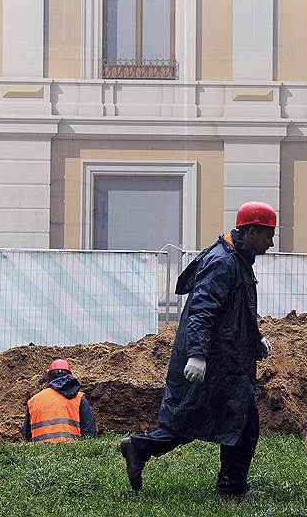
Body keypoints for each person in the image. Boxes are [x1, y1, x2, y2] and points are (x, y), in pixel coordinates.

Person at [119, 201, 276, 498]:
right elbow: (202, 312)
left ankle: (231, 486)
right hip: (215, 362)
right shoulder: (222, 262)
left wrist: (256, 339)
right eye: (269, 235)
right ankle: (140, 447)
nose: (271, 242)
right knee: (192, 419)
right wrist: (197, 354)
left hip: (228, 361)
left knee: (238, 422)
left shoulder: (236, 260)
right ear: (252, 232)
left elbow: (237, 311)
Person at [23, 359, 97, 442]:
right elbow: (90, 432)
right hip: (71, 451)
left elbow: (27, 435)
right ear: (69, 376)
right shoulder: (79, 397)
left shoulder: (33, 400)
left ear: (49, 376)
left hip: (40, 452)